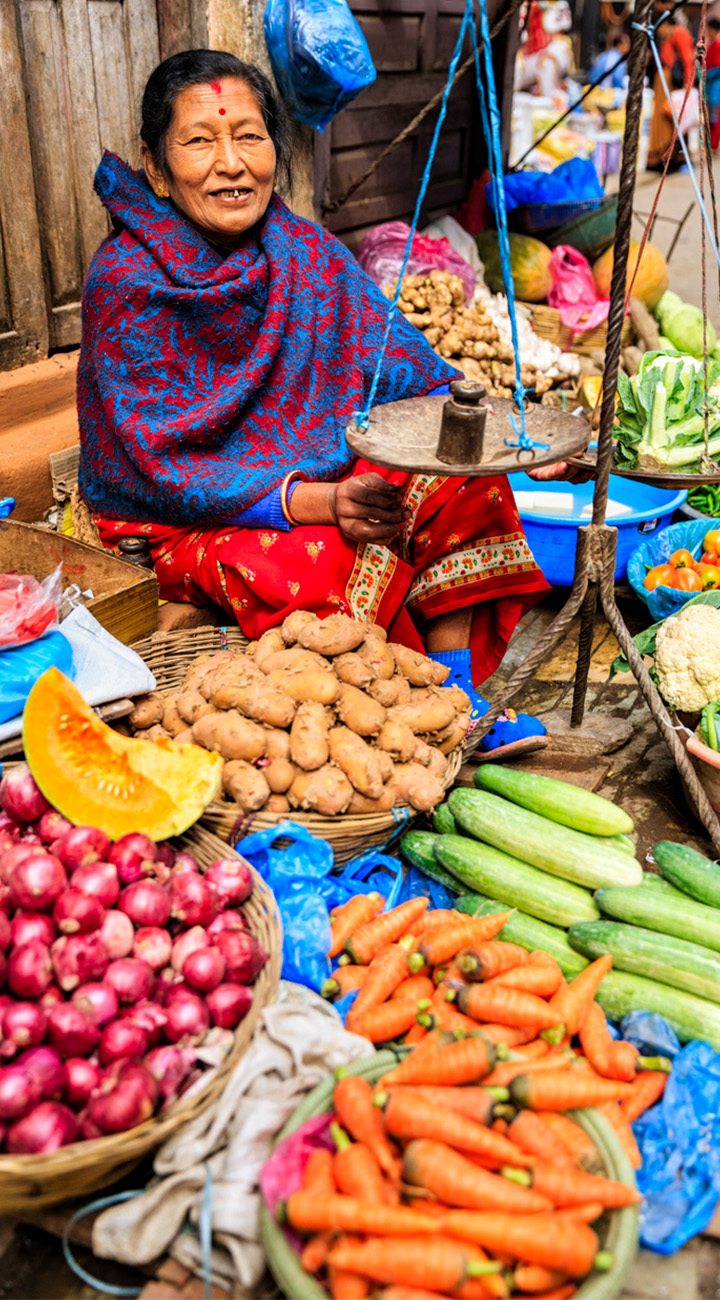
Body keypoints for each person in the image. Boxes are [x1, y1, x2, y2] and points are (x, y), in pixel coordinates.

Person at [78, 50, 554, 753]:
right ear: (155, 167)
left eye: (249, 135)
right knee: (328, 556)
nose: (231, 163)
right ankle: (403, 704)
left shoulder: (302, 251)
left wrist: (504, 434)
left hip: (316, 475)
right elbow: (157, 469)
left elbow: (403, 366)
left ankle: (454, 698)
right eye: (200, 141)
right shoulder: (125, 282)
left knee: (461, 477)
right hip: (178, 518)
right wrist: (317, 502)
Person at [647, 2, 696, 172]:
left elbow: (688, 60)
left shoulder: (680, 33)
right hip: (663, 81)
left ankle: (671, 155)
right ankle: (662, 155)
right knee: (662, 119)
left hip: (672, 83)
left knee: (672, 119)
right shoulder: (665, 37)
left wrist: (687, 86)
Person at [705, 13, 720, 151]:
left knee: (714, 118)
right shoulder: (712, 45)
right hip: (710, 87)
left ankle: (712, 145)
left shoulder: (717, 45)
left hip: (716, 87)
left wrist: (705, 75)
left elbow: (717, 68)